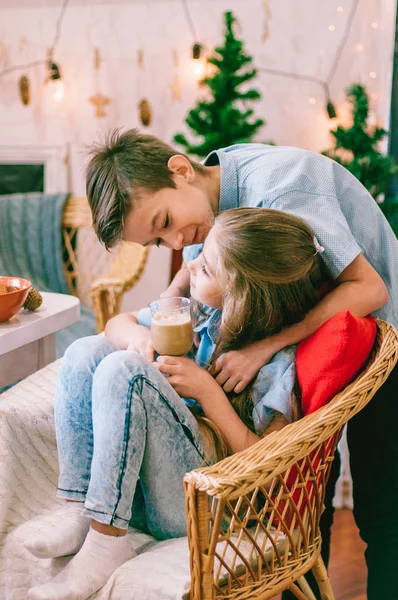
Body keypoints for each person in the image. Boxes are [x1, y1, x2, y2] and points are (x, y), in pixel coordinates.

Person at [85, 129, 398, 600]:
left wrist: (263, 347)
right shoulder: (207, 200)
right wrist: (159, 315)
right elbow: (192, 279)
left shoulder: (283, 185)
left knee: (382, 507)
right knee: (309, 498)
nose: (174, 243)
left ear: (180, 169)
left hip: (383, 334)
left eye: (166, 221)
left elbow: (370, 289)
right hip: (306, 336)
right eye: (156, 241)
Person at [26, 208, 325, 600]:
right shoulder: (197, 314)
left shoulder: (275, 367)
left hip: (202, 509)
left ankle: (106, 541)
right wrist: (136, 337)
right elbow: (117, 323)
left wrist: (207, 392)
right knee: (86, 350)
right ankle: (80, 509)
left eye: (206, 268)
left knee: (123, 370)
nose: (191, 265)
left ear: (243, 295)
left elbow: (268, 467)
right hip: (145, 491)